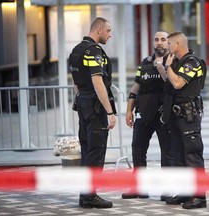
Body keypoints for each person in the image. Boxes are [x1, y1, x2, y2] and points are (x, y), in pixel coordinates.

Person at [69, 17, 116, 209]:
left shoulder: (76, 50)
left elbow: (75, 82)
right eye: (108, 31)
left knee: (88, 150)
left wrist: (81, 99)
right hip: (95, 106)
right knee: (96, 151)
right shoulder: (93, 51)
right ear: (98, 30)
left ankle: (85, 195)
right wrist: (110, 111)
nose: (110, 34)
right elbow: (98, 82)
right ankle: (90, 196)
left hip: (83, 103)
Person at [122, 31, 174, 201]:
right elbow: (135, 87)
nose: (159, 43)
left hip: (162, 115)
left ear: (169, 43)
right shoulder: (145, 62)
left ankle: (167, 188)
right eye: (156, 39)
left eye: (163, 40)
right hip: (142, 114)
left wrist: (161, 67)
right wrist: (129, 110)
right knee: (137, 149)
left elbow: (173, 85)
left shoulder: (173, 61)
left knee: (166, 152)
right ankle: (139, 187)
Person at [162, 31, 207, 209]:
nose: (167, 47)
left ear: (178, 45)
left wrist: (167, 67)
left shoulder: (193, 63)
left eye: (170, 44)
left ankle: (199, 197)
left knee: (193, 156)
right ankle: (185, 192)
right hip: (176, 116)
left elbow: (178, 83)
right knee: (178, 156)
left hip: (189, 117)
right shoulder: (177, 63)